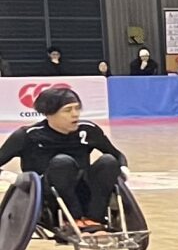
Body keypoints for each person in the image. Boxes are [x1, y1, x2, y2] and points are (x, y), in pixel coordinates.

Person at [0, 85, 125, 231]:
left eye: (77, 108)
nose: (75, 114)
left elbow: (117, 155)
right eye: (67, 110)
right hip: (49, 195)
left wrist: (123, 169)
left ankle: (94, 219)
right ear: (49, 113)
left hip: (85, 190)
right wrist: (12, 178)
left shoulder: (88, 130)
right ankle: (73, 218)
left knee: (108, 161)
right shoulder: (28, 135)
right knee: (63, 162)